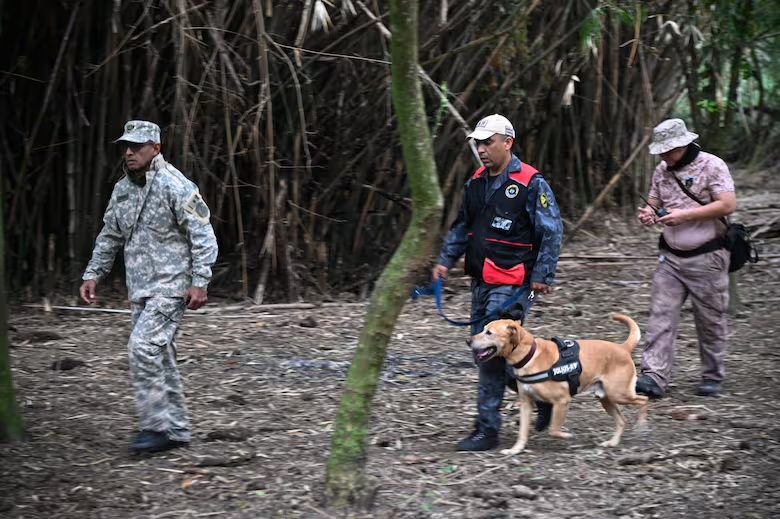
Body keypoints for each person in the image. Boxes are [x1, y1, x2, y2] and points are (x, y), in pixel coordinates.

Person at [79, 120, 219, 453]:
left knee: (141, 347)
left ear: (155, 148)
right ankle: (177, 430)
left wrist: (200, 282)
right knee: (160, 353)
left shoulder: (175, 185)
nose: (129, 152)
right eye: (125, 146)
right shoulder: (122, 189)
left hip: (172, 287)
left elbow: (203, 236)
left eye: (137, 146)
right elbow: (110, 235)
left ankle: (155, 428)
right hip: (139, 288)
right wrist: (93, 273)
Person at [432, 114, 563, 451]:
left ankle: (486, 430)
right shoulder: (475, 182)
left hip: (515, 283)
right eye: (478, 142)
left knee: (488, 352)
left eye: (488, 142)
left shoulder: (531, 182)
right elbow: (462, 226)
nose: (481, 149)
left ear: (508, 143)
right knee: (490, 351)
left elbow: (551, 231)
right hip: (481, 279)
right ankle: (544, 393)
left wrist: (542, 276)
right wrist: (445, 260)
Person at [635, 118, 736, 399]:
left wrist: (685, 215)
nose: (665, 156)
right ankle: (653, 376)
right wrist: (648, 212)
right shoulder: (662, 170)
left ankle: (712, 375)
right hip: (670, 258)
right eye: (662, 152)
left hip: (707, 257)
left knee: (710, 320)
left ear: (684, 143)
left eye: (670, 150)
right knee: (660, 317)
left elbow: (727, 204)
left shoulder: (711, 165)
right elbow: (654, 201)